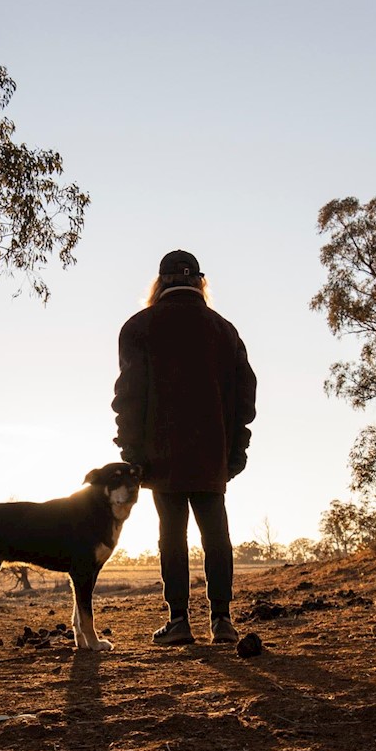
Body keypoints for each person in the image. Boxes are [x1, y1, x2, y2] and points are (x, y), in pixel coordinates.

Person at [111, 249, 257, 645]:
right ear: (199, 282)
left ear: (160, 282)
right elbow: (246, 394)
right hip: (213, 452)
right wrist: (236, 448)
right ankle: (222, 621)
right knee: (216, 533)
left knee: (171, 535)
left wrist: (131, 451)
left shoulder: (139, 327)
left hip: (160, 454)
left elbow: (129, 395)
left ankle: (178, 621)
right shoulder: (223, 329)